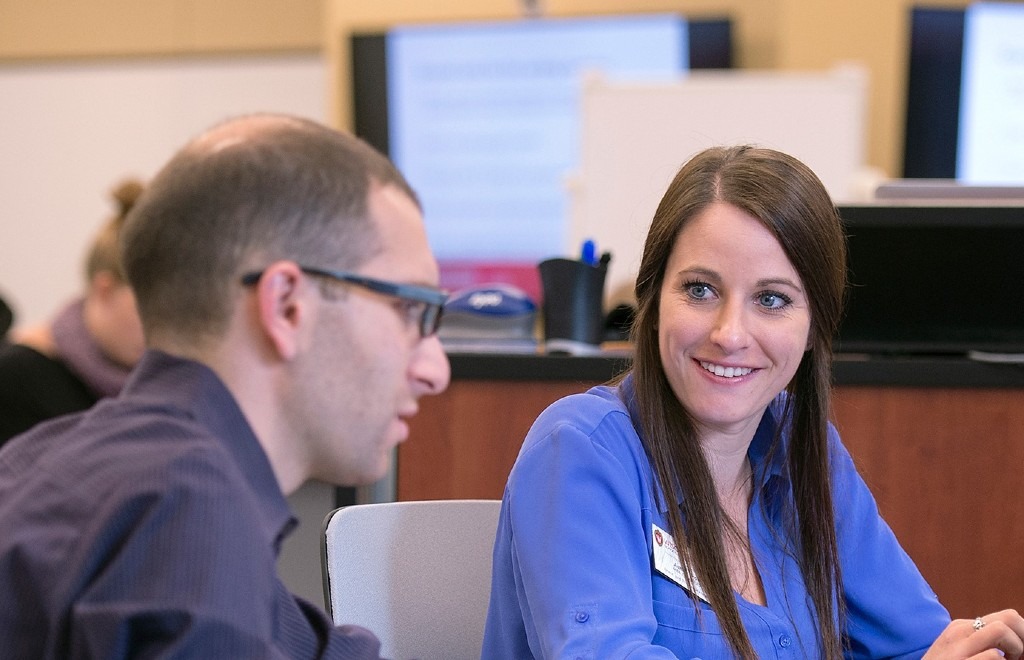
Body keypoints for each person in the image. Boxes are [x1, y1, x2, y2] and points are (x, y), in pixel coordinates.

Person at [482, 145, 1023, 658]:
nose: (730, 333)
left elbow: (918, 644)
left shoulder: (799, 446)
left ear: (814, 327)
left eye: (771, 299)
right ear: (652, 299)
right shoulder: (580, 448)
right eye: (700, 289)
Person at [0, 114, 451, 658]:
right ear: (287, 306)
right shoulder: (185, 514)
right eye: (410, 309)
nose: (435, 370)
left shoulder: (55, 461)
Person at [0, 179, 147, 447]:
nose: (162, 329)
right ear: (105, 290)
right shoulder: (13, 377)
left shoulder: (164, 382)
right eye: (149, 309)